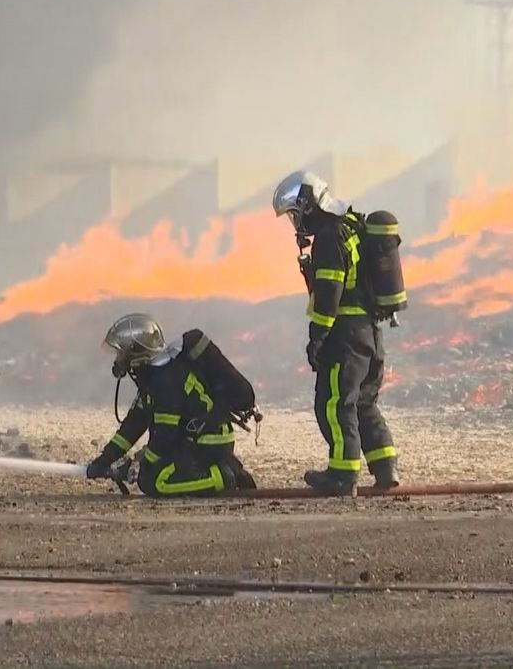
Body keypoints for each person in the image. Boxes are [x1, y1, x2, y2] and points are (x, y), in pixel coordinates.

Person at [272, 170, 400, 496]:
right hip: (371, 336)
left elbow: (329, 294)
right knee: (364, 404)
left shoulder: (330, 236)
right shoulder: (354, 225)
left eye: (294, 214)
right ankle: (386, 469)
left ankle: (342, 476)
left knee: (334, 404)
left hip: (346, 338)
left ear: (308, 204)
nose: (296, 223)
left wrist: (317, 337)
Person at [84, 313, 257, 497]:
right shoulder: (153, 378)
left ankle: (225, 476)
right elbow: (133, 425)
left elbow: (165, 437)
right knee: (150, 473)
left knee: (154, 481)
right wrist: (104, 460)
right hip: (194, 439)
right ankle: (222, 469)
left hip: (207, 441)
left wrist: (139, 465)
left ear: (135, 350)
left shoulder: (164, 380)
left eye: (121, 352)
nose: (118, 359)